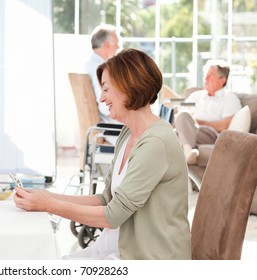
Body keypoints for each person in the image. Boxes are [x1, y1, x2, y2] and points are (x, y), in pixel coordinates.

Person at [14, 48, 191, 260]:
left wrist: (48, 205)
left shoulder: (156, 143)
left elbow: (112, 215)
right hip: (113, 249)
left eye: (106, 89)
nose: (102, 97)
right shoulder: (128, 133)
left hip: (146, 259)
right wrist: (47, 197)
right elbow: (107, 198)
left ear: (128, 86)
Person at [175, 60, 241, 164]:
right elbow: (180, 114)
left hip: (210, 134)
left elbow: (223, 126)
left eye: (211, 75)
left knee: (177, 134)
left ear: (222, 80)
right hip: (190, 130)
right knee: (180, 120)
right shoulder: (195, 96)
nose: (206, 78)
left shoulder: (229, 98)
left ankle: (186, 150)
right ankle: (188, 152)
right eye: (206, 75)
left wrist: (197, 122)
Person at [84, 24, 120, 124]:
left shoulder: (90, 65)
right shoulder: (101, 69)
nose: (118, 47)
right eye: (116, 43)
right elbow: (105, 106)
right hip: (114, 126)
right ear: (107, 45)